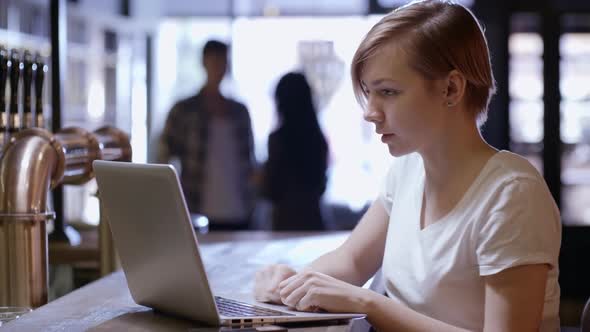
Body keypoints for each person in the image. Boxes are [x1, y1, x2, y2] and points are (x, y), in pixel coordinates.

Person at [253, 1, 561, 331]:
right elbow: (352, 260)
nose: (370, 111)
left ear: (451, 88)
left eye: (387, 91)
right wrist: (290, 283)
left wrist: (368, 303)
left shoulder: (511, 195)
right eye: (369, 93)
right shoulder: (408, 171)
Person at [161, 40, 256, 231]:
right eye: (214, 61)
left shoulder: (239, 112)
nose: (218, 68)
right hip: (197, 208)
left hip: (238, 209)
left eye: (223, 62)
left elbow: (248, 162)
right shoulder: (184, 110)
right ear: (204, 63)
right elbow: (165, 157)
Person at [260, 72, 329, 231]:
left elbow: (271, 189)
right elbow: (321, 185)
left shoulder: (278, 139)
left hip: (284, 221)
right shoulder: (317, 139)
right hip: (314, 219)